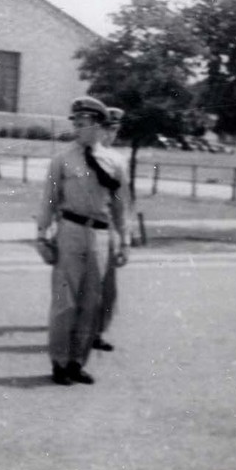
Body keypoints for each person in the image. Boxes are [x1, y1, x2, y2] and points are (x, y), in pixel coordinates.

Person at [36, 96, 129, 386]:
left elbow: (120, 206)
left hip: (100, 235)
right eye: (76, 122)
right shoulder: (62, 160)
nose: (78, 127)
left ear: (99, 126)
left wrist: (124, 241)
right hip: (70, 231)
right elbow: (49, 201)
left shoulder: (115, 162)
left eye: (85, 122)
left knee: (91, 302)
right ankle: (59, 362)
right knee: (65, 301)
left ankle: (78, 361)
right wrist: (41, 234)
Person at [93, 106, 128, 352]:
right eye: (107, 129)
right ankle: (85, 332)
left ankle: (98, 332)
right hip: (91, 226)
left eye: (114, 130)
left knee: (108, 287)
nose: (110, 135)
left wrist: (124, 236)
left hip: (110, 228)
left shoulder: (117, 160)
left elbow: (122, 201)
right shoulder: (91, 155)